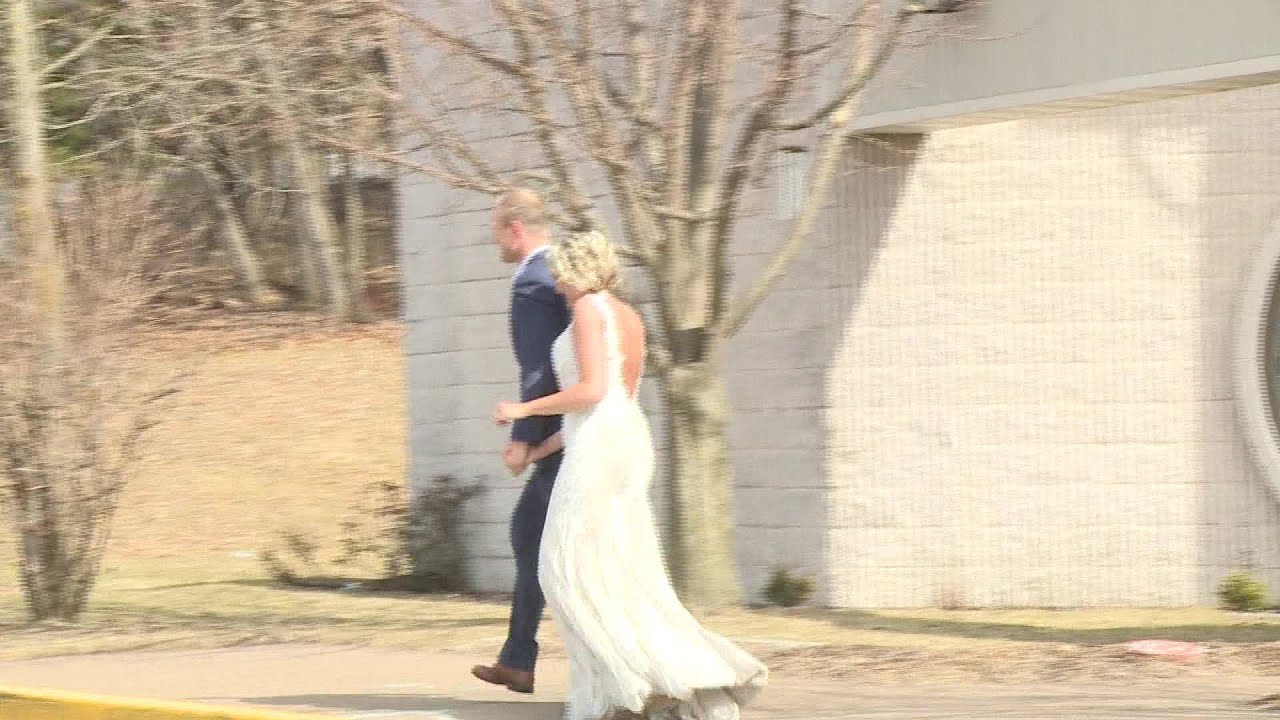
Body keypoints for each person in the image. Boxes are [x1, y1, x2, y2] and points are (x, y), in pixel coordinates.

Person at [494, 229, 767, 720]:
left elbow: (593, 391)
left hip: (600, 448)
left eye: (559, 272)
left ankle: (626, 681)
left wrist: (523, 409)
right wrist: (538, 452)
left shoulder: (585, 310)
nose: (555, 283)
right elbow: (614, 402)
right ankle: (648, 679)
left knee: (563, 570)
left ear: (575, 271)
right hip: (623, 441)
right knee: (619, 568)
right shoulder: (628, 316)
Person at [471, 189, 571, 695]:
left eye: (497, 232)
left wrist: (523, 439)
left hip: (561, 437)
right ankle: (517, 660)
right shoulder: (563, 275)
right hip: (574, 433)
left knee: (540, 542)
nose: (497, 242)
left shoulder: (532, 282)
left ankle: (524, 659)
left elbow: (538, 368)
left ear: (515, 229)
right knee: (531, 535)